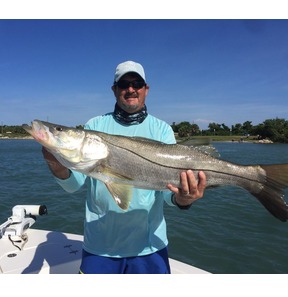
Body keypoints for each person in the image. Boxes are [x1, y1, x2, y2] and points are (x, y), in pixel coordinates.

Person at [42, 60, 206, 274]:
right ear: (114, 90)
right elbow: (74, 185)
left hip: (149, 248)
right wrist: (56, 163)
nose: (131, 89)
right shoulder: (94, 126)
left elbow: (168, 192)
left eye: (137, 83)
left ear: (146, 89)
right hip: (99, 247)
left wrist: (183, 200)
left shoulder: (162, 129)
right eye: (123, 84)